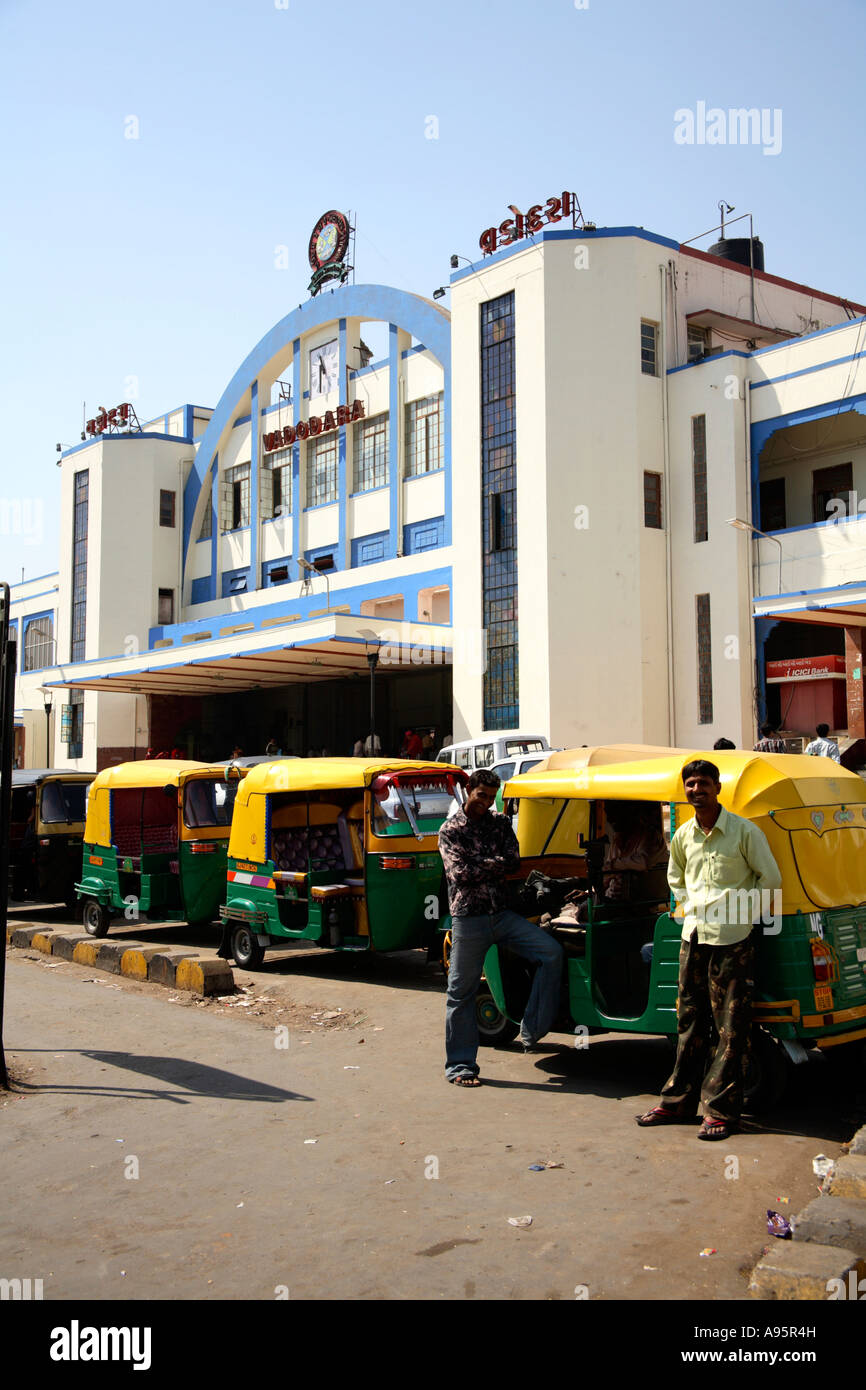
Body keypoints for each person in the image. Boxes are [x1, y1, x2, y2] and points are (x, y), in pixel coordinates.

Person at [636, 758, 781, 1141]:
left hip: (733, 941)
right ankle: (678, 1102)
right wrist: (688, 910)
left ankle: (721, 1112)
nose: (695, 790)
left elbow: (771, 878)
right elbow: (675, 878)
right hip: (694, 938)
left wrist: (741, 915)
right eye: (690, 784)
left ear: (717, 788)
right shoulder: (683, 835)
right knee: (688, 1024)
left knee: (730, 1030)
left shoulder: (744, 832)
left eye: (703, 783)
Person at [439, 769, 564, 1087]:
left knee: (551, 953)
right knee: (460, 994)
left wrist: (482, 862)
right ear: (469, 790)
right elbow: (459, 874)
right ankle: (461, 1067)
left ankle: (532, 1028)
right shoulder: (450, 830)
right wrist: (493, 863)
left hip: (502, 914)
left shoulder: (500, 823)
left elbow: (514, 862)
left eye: (491, 797)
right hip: (468, 920)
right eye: (481, 795)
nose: (486, 802)